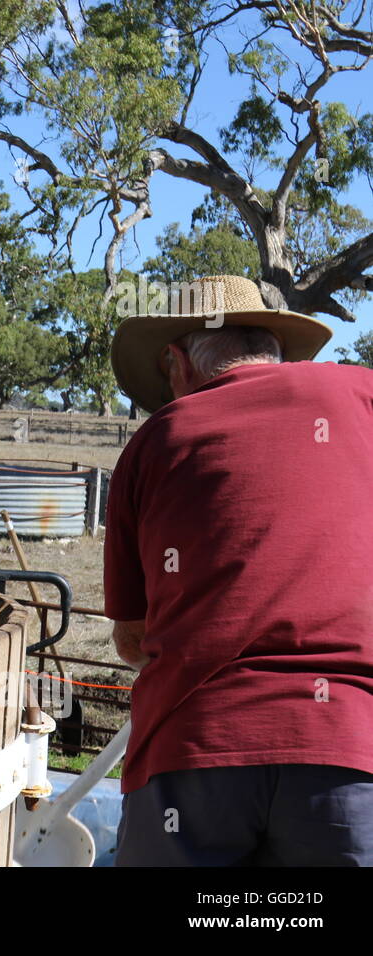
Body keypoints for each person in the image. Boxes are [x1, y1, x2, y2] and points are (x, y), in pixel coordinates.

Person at [104, 273, 373, 866]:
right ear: (273, 346)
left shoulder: (156, 441)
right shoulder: (361, 398)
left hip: (193, 748)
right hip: (346, 747)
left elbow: (133, 638)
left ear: (177, 362)